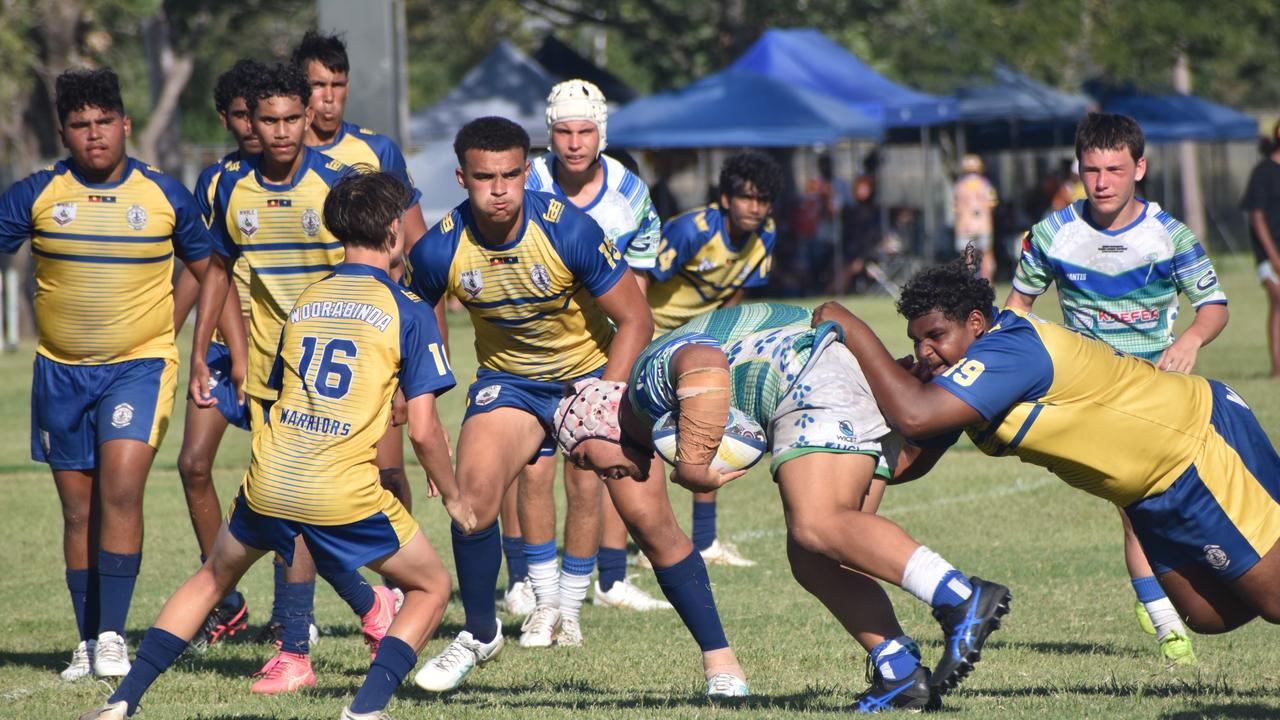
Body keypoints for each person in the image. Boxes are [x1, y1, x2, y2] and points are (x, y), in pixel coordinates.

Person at [78, 169, 462, 720]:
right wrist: (454, 497)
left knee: (213, 576)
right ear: (396, 230)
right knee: (430, 586)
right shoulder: (409, 310)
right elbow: (423, 430)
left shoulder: (306, 302)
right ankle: (365, 710)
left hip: (270, 476)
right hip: (341, 489)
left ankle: (121, 701)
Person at [406, 117, 748, 694]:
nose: (499, 189)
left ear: (526, 170)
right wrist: (412, 395)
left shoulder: (570, 231)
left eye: (512, 174)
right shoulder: (439, 246)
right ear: (462, 177)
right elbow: (412, 321)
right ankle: (482, 632)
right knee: (472, 499)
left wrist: (606, 396)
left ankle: (721, 661)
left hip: (590, 376)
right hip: (509, 385)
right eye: (485, 177)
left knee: (650, 520)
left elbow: (636, 317)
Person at [557, 302, 1012, 712]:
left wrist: (694, 467)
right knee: (812, 558)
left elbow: (702, 361)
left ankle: (960, 598)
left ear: (596, 423)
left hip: (808, 375)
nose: (595, 473)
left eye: (582, 457)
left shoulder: (640, 384)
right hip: (824, 371)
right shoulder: (652, 410)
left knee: (818, 524)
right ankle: (898, 671)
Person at [813, 256, 1280, 652]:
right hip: (1151, 492)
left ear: (977, 322)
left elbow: (914, 416)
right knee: (1207, 616)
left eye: (935, 335)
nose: (925, 350)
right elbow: (908, 459)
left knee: (1274, 601)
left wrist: (854, 330)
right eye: (917, 340)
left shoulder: (1011, 349)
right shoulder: (960, 379)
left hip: (1196, 445)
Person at [0, 67, 214, 681]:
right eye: (79, 125)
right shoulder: (36, 194)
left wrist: (173, 334)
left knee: (121, 490)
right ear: (65, 133)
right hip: (59, 374)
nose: (94, 135)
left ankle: (114, 636)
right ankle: (87, 641)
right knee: (77, 511)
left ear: (124, 124)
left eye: (104, 123)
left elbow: (207, 268)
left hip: (139, 369)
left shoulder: (163, 194)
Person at [193, 62, 399, 694]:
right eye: (268, 120)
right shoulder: (229, 186)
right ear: (246, 123)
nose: (281, 132)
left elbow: (388, 264)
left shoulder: (340, 184)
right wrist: (203, 351)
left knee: (310, 510)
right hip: (268, 372)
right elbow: (218, 273)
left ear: (308, 117)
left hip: (338, 372)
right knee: (290, 514)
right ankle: (349, 619)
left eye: (292, 119)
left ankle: (306, 637)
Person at [1007, 112, 1229, 664]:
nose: (1102, 181)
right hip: (1093, 390)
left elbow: (1215, 307)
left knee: (1184, 497)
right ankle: (1164, 620)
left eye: (1114, 169)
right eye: (1091, 170)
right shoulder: (1054, 234)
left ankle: (1174, 592)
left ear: (1140, 169)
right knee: (1137, 502)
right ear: (1077, 170)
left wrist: (1192, 341)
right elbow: (1018, 310)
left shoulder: (1168, 235)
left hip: (1161, 385)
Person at [293, 28, 435, 610]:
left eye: (337, 85)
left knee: (386, 468)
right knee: (294, 483)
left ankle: (398, 590)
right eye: (316, 86)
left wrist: (418, 353)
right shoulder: (279, 157)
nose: (327, 98)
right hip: (307, 339)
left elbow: (418, 248)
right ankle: (294, 617)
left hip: (377, 343)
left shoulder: (379, 151)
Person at [524, 79, 670, 618]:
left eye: (585, 130)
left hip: (599, 350)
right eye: (564, 131)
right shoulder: (528, 179)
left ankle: (582, 593)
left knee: (590, 466)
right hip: (532, 344)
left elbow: (641, 288)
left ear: (601, 134)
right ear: (550, 134)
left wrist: (621, 365)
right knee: (530, 469)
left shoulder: (631, 194)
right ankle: (530, 585)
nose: (575, 141)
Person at [643, 150, 783, 569]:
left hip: (701, 339)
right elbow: (638, 281)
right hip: (651, 334)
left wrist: (724, 337)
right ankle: (652, 544)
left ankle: (704, 541)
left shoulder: (766, 234)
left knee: (713, 426)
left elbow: (736, 288)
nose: (755, 208)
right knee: (646, 441)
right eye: (746, 197)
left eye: (763, 199)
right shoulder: (691, 231)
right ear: (725, 198)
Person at [169, 58, 263, 651]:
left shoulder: (309, 179)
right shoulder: (214, 183)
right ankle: (223, 597)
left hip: (284, 352)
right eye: (240, 115)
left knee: (283, 481)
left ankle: (294, 614)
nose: (254, 126)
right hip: (226, 347)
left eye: (262, 114)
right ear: (224, 119)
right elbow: (206, 270)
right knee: (192, 465)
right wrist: (180, 344)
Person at [1240, 120, 1280, 378]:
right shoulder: (1263, 172)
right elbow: (1257, 217)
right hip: (1270, 253)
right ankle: (1277, 369)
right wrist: (1273, 256)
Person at [952, 154, 998, 281]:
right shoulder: (985, 184)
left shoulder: (959, 186)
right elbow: (992, 204)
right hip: (983, 224)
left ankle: (970, 282)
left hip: (964, 225)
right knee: (986, 254)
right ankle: (987, 281)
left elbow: (956, 207)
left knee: (968, 255)